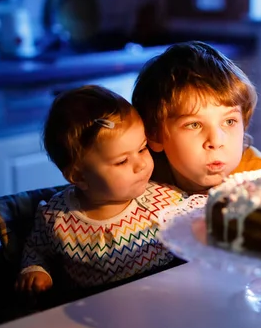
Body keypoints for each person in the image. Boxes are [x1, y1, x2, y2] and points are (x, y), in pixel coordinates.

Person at [16, 86, 184, 294]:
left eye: (142, 149)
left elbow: (202, 220)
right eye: (122, 161)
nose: (141, 164)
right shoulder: (56, 217)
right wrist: (36, 270)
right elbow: (36, 248)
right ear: (79, 177)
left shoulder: (165, 200)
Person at [131, 40, 261, 195]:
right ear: (155, 135)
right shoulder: (141, 179)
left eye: (229, 121)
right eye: (194, 125)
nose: (216, 141)